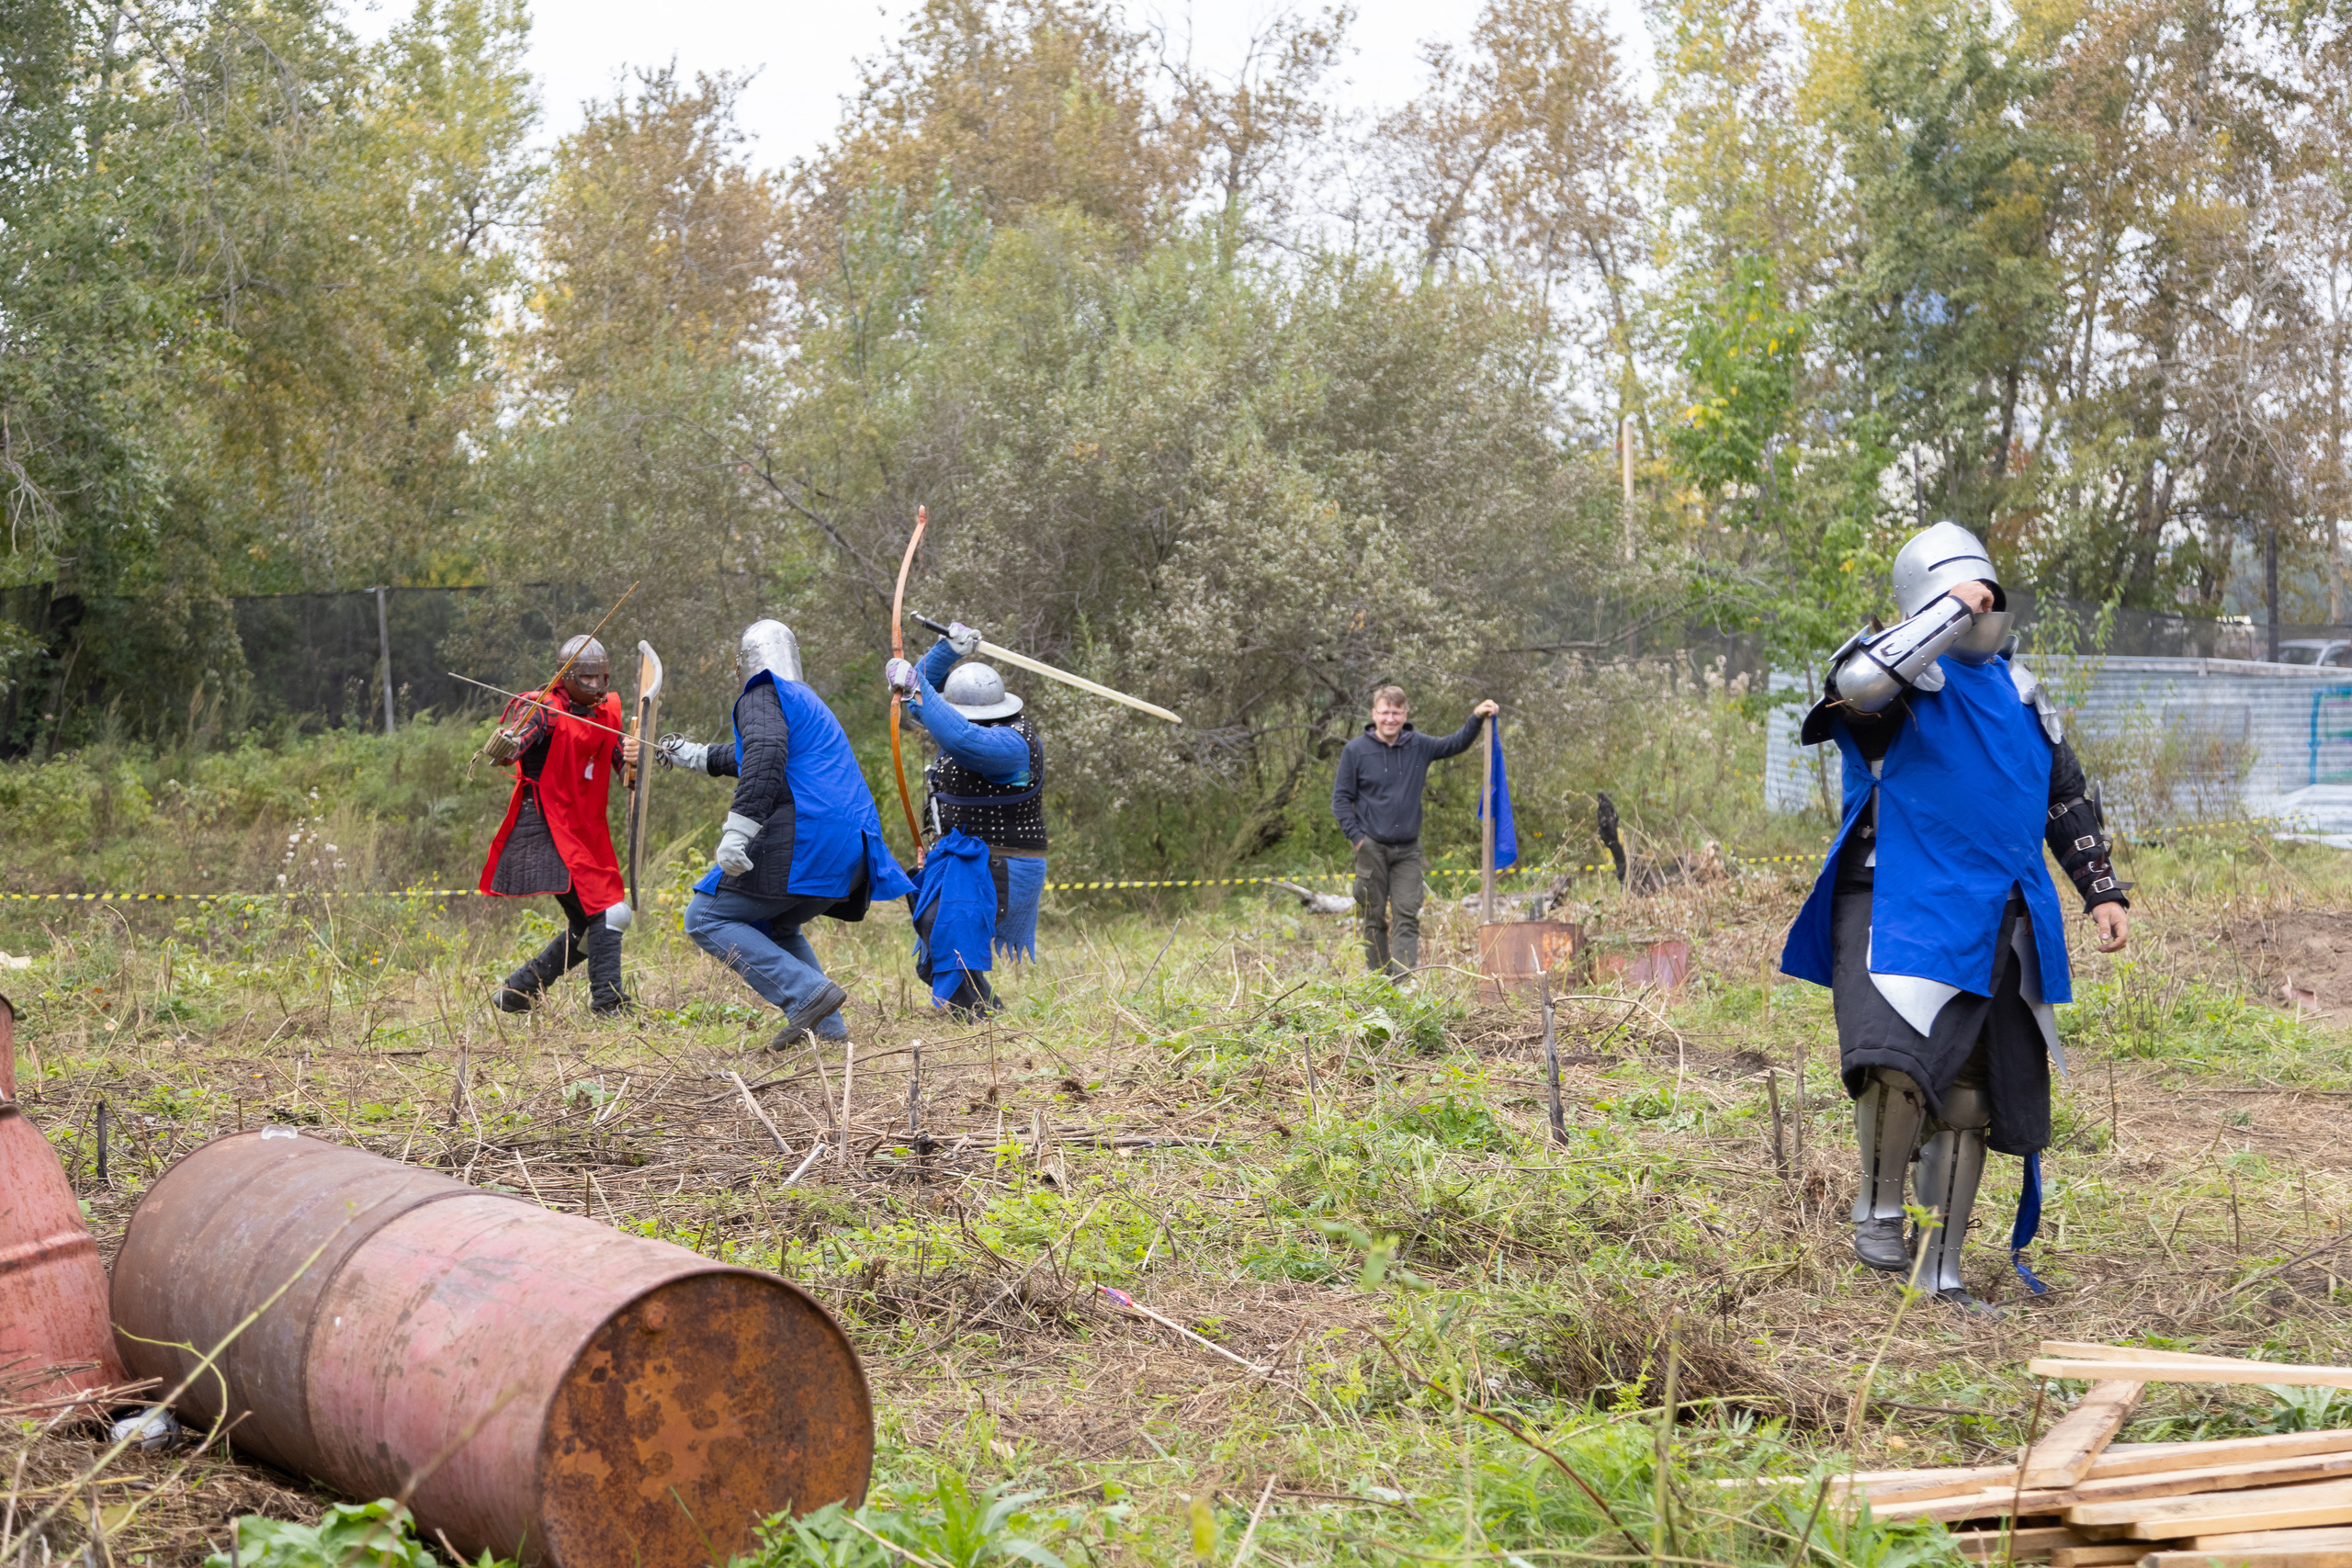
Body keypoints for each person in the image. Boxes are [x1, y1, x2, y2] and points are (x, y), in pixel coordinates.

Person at [1780, 521, 2130, 1318]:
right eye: (1963, 593)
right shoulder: (1896, 682)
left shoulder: (2025, 694)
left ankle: (1939, 1271)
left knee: (1973, 1098)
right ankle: (1878, 1208)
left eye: (1985, 591)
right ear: (1927, 600)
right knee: (1899, 1061)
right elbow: (1859, 686)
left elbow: (2065, 797)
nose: (1984, 606)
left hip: (2001, 911)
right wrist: (1945, 612)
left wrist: (2101, 890)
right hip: (1904, 896)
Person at [657, 619, 915, 1046]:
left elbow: (765, 754)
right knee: (776, 925)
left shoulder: (761, 693)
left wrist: (737, 831)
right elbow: (759, 753)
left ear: (745, 663)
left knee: (705, 916)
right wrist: (696, 756)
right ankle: (827, 1030)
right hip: (853, 848)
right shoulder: (807, 701)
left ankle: (807, 994)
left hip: (811, 836)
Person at [885, 620, 1047, 1018]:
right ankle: (982, 1011)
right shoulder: (962, 719)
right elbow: (929, 708)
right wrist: (947, 652)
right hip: (962, 855)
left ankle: (981, 1015)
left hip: (999, 860)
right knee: (932, 927)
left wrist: (918, 689)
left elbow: (961, 738)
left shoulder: (1010, 744)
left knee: (942, 927)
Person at [480, 635, 641, 1016]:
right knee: (608, 912)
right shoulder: (543, 708)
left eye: (600, 677)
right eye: (585, 679)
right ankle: (609, 1003)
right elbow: (517, 743)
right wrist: (506, 743)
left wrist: (640, 755)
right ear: (566, 677)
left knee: (591, 923)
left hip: (585, 826)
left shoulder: (606, 714)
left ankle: (519, 991)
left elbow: (625, 771)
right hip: (546, 824)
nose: (595, 686)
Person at [1330, 685, 1500, 980]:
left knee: (1407, 915)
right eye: (1385, 712)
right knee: (1372, 918)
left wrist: (1475, 717)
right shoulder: (1355, 752)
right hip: (1371, 848)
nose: (1390, 719)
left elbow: (1454, 744)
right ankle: (1379, 980)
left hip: (1407, 850)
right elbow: (1340, 800)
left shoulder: (1418, 745)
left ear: (1405, 714)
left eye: (1396, 713)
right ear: (1374, 714)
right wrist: (1358, 839)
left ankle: (1404, 982)